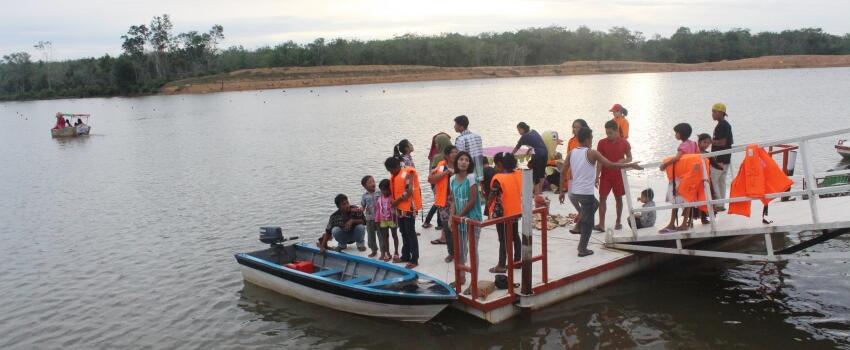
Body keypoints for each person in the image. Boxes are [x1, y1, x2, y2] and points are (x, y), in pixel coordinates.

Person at [559, 127, 641, 257]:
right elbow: (610, 165)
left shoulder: (572, 152)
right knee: (589, 221)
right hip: (585, 194)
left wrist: (561, 191)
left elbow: (563, 171)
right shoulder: (592, 153)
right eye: (591, 138)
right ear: (587, 139)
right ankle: (582, 249)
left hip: (573, 192)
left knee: (596, 204)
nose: (592, 141)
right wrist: (630, 165)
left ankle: (580, 224)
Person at [658, 123, 700, 233]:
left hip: (681, 177)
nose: (675, 135)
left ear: (680, 134)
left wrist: (665, 165)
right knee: (688, 200)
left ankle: (672, 223)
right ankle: (685, 223)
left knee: (675, 201)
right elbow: (698, 156)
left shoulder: (683, 146)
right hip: (690, 177)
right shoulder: (694, 144)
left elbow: (677, 158)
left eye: (676, 133)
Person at [449, 151, 483, 284]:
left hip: (472, 219)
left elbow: (472, 200)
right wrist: (451, 218)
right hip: (459, 220)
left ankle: (474, 281)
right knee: (460, 250)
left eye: (467, 160)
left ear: (469, 164)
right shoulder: (452, 179)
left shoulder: (471, 177)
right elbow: (453, 200)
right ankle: (461, 277)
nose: (464, 162)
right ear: (456, 162)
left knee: (473, 250)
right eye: (461, 159)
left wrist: (458, 216)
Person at [487, 152, 522, 273]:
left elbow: (492, 195)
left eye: (496, 165)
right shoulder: (518, 174)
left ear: (500, 164)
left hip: (503, 213)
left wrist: (487, 210)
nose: (495, 168)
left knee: (503, 239)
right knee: (515, 236)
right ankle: (517, 261)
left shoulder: (498, 179)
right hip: (515, 210)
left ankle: (501, 265)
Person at [594, 120, 632, 231]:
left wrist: (623, 161)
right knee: (602, 198)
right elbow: (599, 161)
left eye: (610, 133)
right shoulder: (602, 143)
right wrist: (597, 176)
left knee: (618, 198)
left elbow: (630, 157)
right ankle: (601, 224)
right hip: (605, 175)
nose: (608, 135)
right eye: (607, 133)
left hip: (619, 175)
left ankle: (618, 221)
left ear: (616, 131)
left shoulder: (624, 143)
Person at [385, 156, 423, 269]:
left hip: (409, 208)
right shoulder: (395, 175)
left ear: (397, 166)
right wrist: (393, 201)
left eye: (391, 170)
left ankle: (414, 259)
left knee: (410, 233)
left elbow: (409, 191)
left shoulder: (408, 173)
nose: (390, 172)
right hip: (399, 209)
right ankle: (405, 255)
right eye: (389, 171)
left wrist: (396, 201)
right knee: (403, 232)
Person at [428, 146, 458, 259]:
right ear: (446, 155)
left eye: (456, 152)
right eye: (452, 152)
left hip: (458, 199)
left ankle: (460, 251)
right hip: (445, 200)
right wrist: (446, 172)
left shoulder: (461, 164)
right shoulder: (441, 165)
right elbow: (431, 179)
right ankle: (451, 253)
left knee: (459, 227)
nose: (455, 154)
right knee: (447, 227)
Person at [562, 119, 589, 234]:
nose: (575, 129)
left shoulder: (586, 142)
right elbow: (568, 157)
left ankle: (580, 223)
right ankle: (582, 213)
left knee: (582, 199)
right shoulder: (571, 141)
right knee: (572, 196)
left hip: (581, 175)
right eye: (573, 127)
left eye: (577, 127)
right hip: (571, 174)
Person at [423, 133, 452, 230]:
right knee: (440, 204)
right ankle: (438, 224)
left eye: (437, 143)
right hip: (444, 184)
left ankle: (435, 223)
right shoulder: (451, 155)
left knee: (439, 203)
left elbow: (433, 173)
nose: (436, 146)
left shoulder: (437, 157)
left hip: (438, 184)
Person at [513, 122, 548, 195]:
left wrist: (510, 155)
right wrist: (530, 149)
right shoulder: (534, 131)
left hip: (537, 153)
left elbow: (517, 147)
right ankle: (540, 190)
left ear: (523, 129)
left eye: (519, 130)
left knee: (535, 174)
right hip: (545, 152)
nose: (519, 132)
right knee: (541, 172)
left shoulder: (524, 137)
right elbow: (537, 143)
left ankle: (536, 193)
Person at [710, 102, 734, 212]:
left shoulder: (722, 125)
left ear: (721, 113)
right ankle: (721, 203)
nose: (712, 114)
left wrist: (709, 141)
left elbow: (723, 142)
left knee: (714, 180)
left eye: (714, 112)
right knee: (721, 181)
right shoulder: (724, 125)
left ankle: (719, 203)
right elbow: (728, 142)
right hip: (726, 158)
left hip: (720, 159)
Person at [453, 115, 485, 185]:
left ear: (461, 126)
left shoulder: (460, 139)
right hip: (480, 172)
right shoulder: (477, 137)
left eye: (455, 124)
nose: (454, 126)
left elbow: (459, 157)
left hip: (467, 173)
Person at [375, 179, 400, 262]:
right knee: (385, 236)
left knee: (394, 235)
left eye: (385, 190)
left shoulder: (393, 197)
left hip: (392, 219)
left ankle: (396, 252)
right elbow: (378, 210)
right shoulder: (380, 198)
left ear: (390, 189)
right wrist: (377, 219)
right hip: (383, 220)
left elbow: (397, 207)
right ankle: (387, 252)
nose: (384, 192)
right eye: (382, 190)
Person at [360, 175, 381, 258]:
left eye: (373, 181)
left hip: (379, 218)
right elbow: (363, 206)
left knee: (381, 236)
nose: (373, 183)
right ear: (365, 186)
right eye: (370, 182)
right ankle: (374, 250)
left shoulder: (379, 192)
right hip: (369, 219)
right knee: (371, 236)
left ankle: (383, 252)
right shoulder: (364, 196)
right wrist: (360, 209)